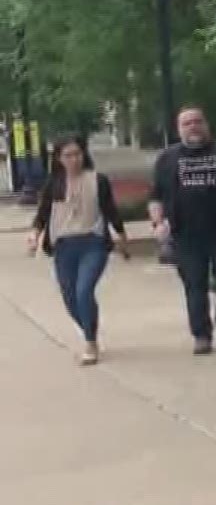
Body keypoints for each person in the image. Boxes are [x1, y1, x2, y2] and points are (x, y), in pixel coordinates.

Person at [148, 107, 216, 356]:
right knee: (194, 285)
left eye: (197, 121)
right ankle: (201, 335)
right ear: (179, 129)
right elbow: (155, 197)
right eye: (187, 123)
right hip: (185, 234)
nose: (193, 126)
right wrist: (158, 223)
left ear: (207, 125)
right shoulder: (167, 158)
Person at [27, 135, 130, 366]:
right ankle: (89, 327)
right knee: (71, 298)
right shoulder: (54, 183)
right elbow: (43, 214)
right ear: (59, 158)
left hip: (92, 243)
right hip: (64, 246)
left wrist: (121, 236)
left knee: (84, 290)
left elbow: (111, 210)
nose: (74, 159)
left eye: (77, 154)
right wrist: (34, 234)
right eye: (68, 155)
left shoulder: (98, 180)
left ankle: (90, 343)